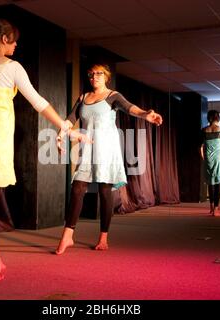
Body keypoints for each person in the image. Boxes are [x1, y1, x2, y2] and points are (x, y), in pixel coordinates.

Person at [0, 19, 89, 280]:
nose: (17, 44)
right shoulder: (12, 68)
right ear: (4, 39)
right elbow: (39, 103)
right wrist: (66, 127)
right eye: (14, 39)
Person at [55, 64, 163, 255]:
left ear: (106, 77)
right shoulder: (83, 98)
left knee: (105, 192)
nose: (94, 77)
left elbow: (130, 108)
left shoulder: (113, 96)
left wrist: (146, 114)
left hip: (107, 149)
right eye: (91, 74)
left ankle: (103, 237)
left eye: (98, 74)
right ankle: (67, 235)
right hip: (87, 148)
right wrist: (61, 131)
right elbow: (70, 118)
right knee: (77, 188)